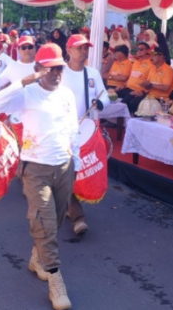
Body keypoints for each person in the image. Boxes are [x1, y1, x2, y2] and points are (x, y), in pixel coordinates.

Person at [0, 43, 79, 310]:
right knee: (45, 222)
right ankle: (55, 279)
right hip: (36, 168)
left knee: (57, 219)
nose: (56, 73)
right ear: (39, 69)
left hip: (64, 165)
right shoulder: (27, 93)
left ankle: (37, 257)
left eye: (59, 68)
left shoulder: (66, 94)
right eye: (50, 68)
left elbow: (72, 128)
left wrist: (77, 157)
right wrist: (23, 81)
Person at [61, 35, 109, 236]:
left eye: (86, 48)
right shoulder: (60, 72)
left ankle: (65, 203)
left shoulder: (93, 73)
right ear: (69, 50)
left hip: (87, 129)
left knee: (82, 170)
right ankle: (77, 216)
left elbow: (104, 94)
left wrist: (101, 103)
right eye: (79, 48)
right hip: (64, 129)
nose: (84, 52)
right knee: (69, 170)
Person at [122, 48, 173, 114]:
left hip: (160, 98)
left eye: (154, 55)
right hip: (150, 96)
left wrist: (150, 85)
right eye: (151, 55)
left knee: (135, 103)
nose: (151, 57)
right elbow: (148, 86)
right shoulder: (152, 68)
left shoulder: (168, 70)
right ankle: (126, 122)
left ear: (161, 57)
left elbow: (165, 88)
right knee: (130, 98)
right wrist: (142, 91)